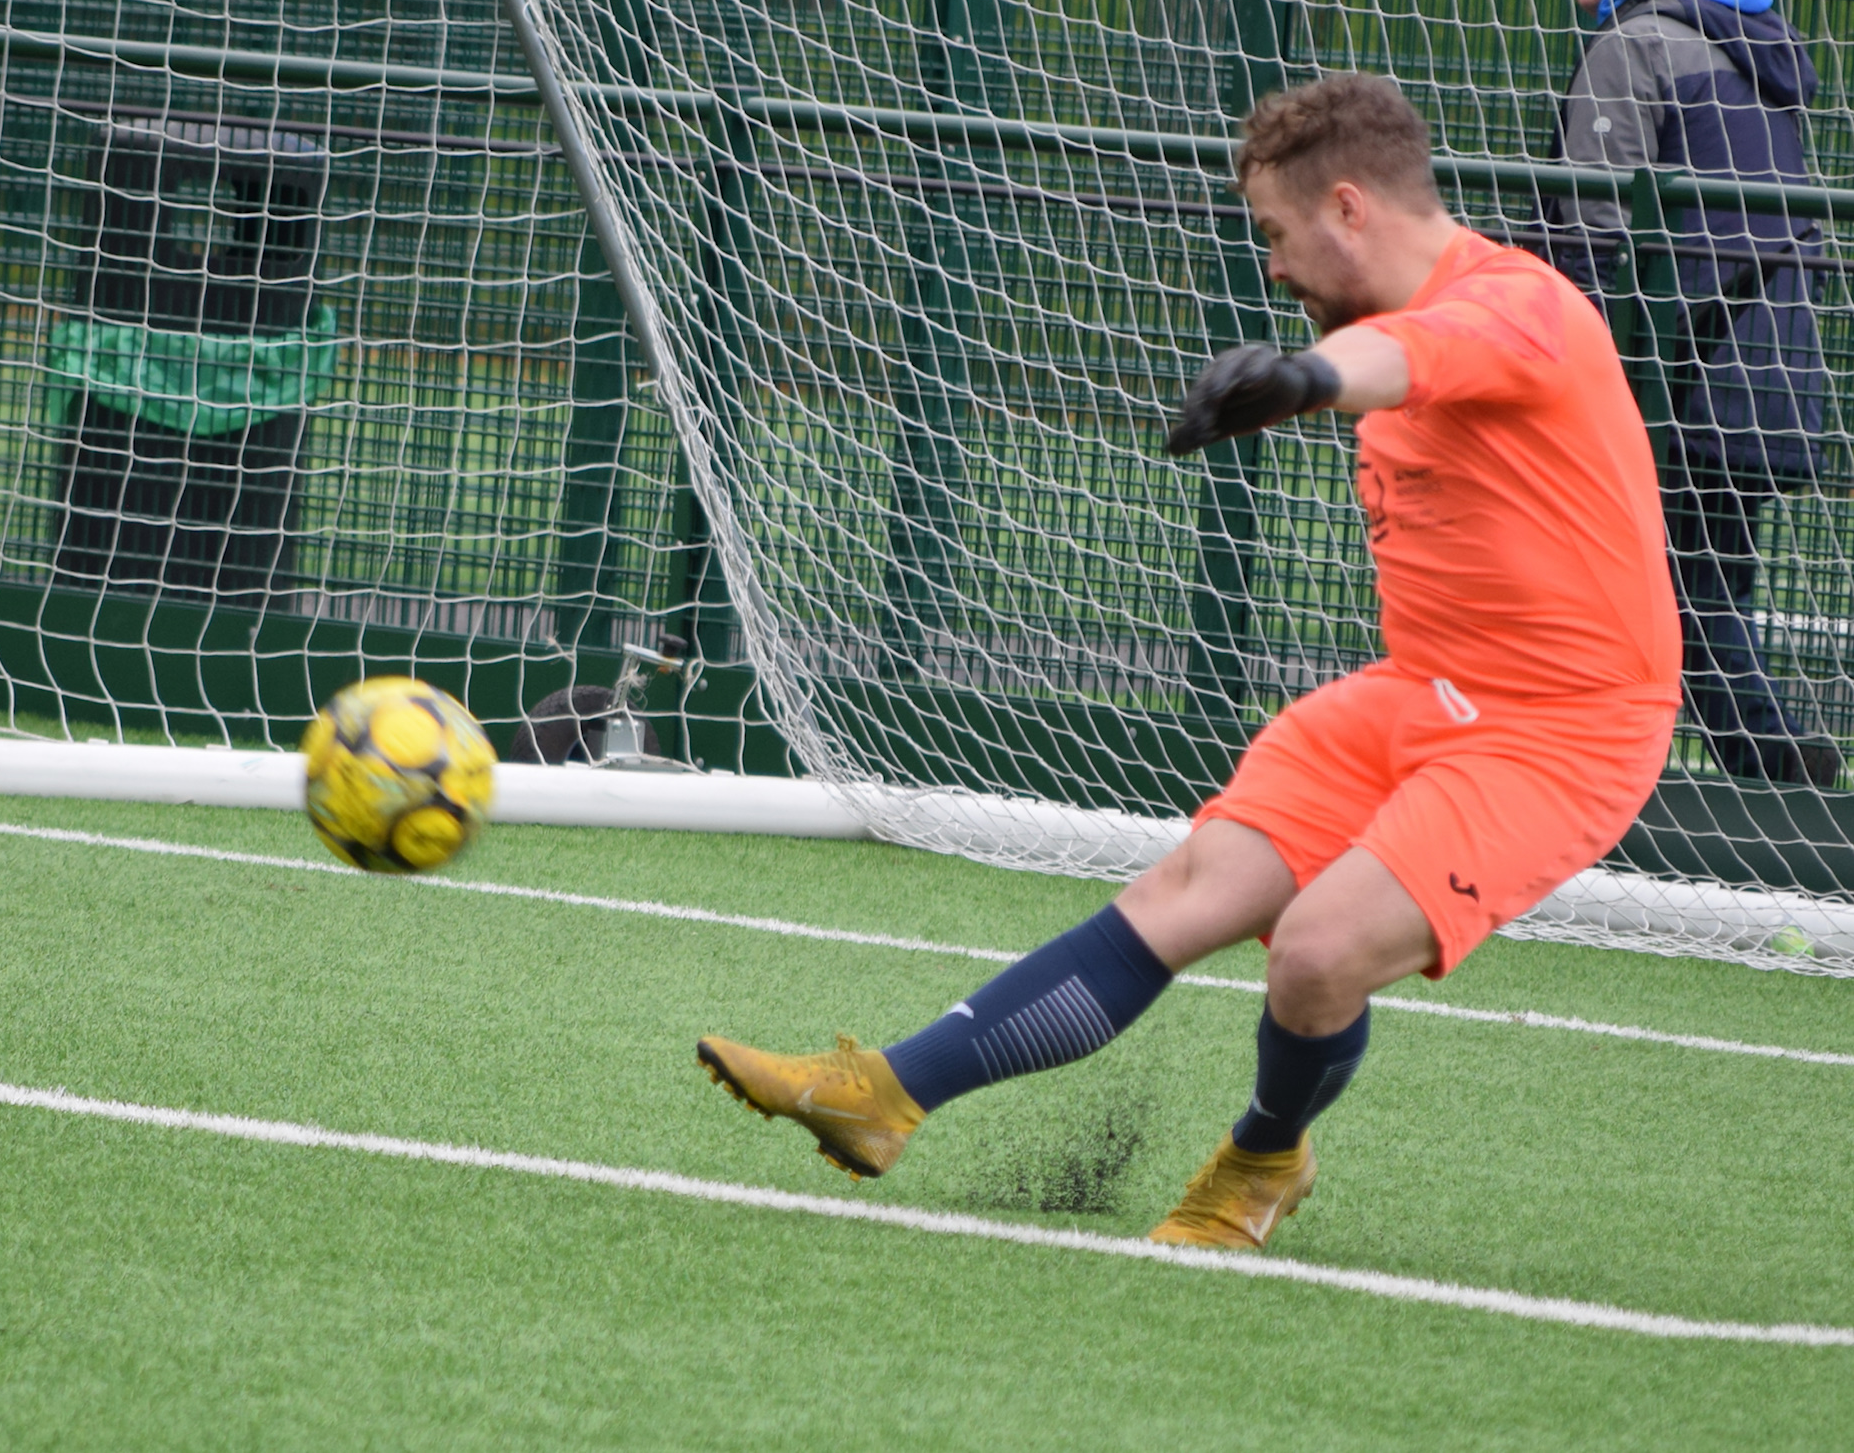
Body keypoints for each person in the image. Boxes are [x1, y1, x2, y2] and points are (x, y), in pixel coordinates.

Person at [697, 74, 1681, 1251]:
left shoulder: (1522, 303)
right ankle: (884, 1094)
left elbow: (1426, 353)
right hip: (1414, 689)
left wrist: (1307, 378)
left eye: (1275, 235)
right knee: (1185, 892)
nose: (1272, 267)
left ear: (1350, 208)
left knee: (1316, 951)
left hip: (1562, 725)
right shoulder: (1386, 325)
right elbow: (1394, 354)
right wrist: (1314, 375)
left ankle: (1263, 1159)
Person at [1549, 0, 1835, 786]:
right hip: (1768, 356)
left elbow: (1591, 225)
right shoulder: (1759, 49)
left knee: (1663, 586)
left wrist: (1562, 362)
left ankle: (1772, 773)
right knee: (1703, 579)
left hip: (1681, 362)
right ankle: (1755, 762)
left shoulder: (1635, 43)